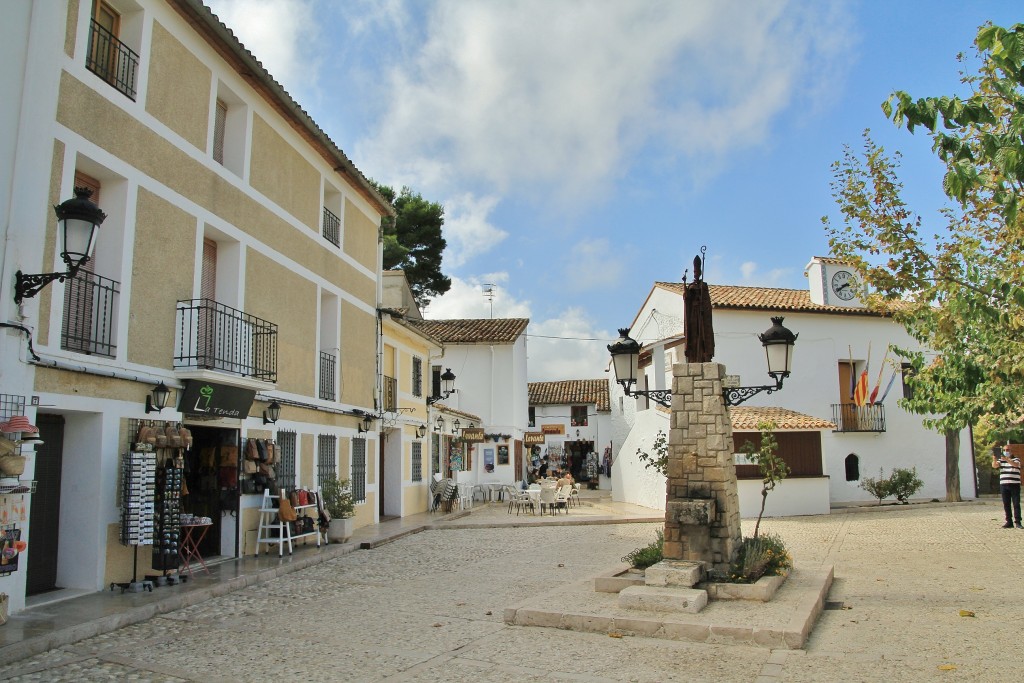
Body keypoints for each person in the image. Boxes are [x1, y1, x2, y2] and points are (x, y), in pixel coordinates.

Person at [993, 445, 1022, 529]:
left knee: (1016, 503)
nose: (1006, 451)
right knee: (1006, 504)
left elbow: (1015, 465)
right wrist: (994, 459)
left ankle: (1018, 522)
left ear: (1012, 451)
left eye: (1008, 450)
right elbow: (995, 466)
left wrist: (1007, 459)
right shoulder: (1001, 460)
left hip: (1014, 485)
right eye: (1005, 450)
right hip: (1004, 485)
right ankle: (1009, 521)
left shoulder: (1016, 459)